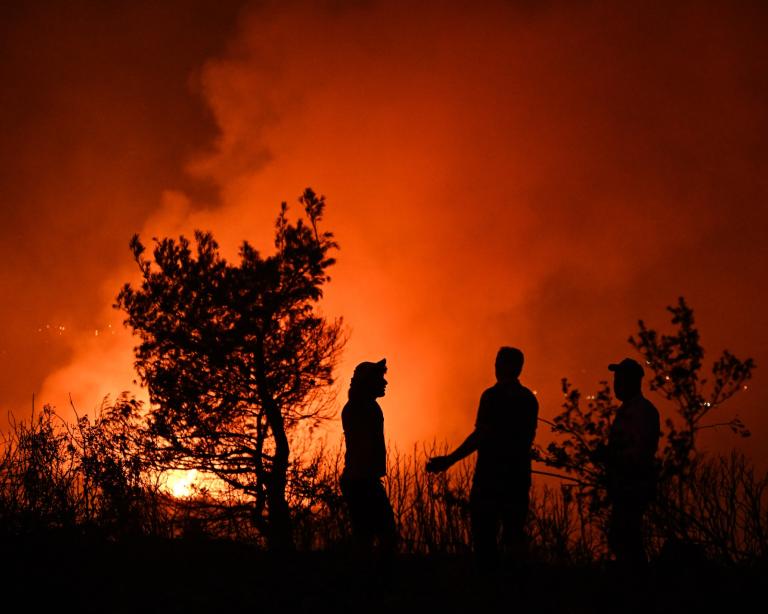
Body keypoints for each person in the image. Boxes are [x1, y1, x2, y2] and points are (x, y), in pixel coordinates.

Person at [426, 347, 538, 572]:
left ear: (503, 366)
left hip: (490, 477)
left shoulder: (492, 397)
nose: (495, 366)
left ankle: (488, 583)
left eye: (498, 362)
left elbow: (481, 435)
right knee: (514, 535)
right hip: (518, 477)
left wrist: (450, 460)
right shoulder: (528, 399)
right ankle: (518, 584)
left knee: (485, 536)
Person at [340, 358, 396, 578]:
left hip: (360, 480)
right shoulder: (363, 408)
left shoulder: (362, 406)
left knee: (366, 536)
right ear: (367, 382)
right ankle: (375, 583)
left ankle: (365, 581)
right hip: (362, 481)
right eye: (379, 378)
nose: (385, 382)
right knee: (383, 534)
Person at [603, 358, 661, 571]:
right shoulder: (631, 410)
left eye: (620, 380)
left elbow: (638, 452)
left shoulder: (641, 412)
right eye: (615, 380)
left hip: (632, 484)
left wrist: (613, 460)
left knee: (626, 536)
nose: (616, 385)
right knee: (623, 536)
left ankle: (635, 579)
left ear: (633, 382)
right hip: (625, 484)